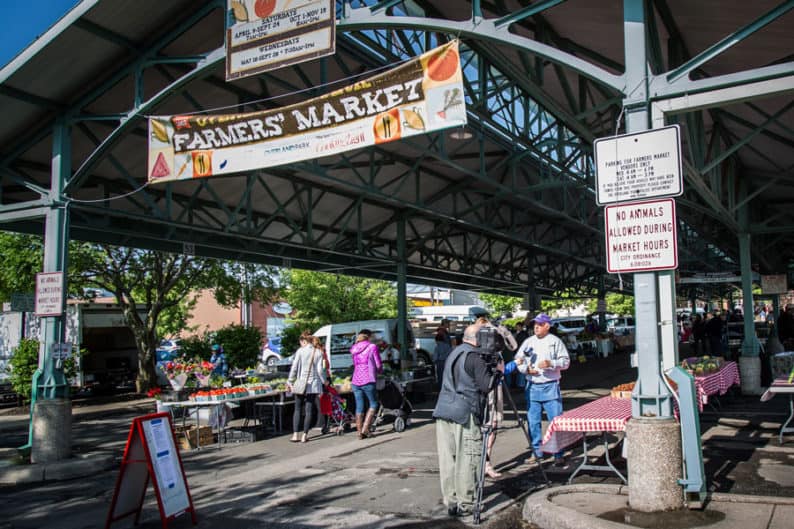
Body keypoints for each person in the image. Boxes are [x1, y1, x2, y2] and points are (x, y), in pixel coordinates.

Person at [433, 323, 503, 517]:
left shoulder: (455, 352)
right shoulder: (474, 357)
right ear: (477, 339)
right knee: (468, 458)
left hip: (443, 409)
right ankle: (468, 503)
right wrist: (498, 371)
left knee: (449, 459)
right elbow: (486, 385)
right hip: (464, 411)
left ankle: (452, 500)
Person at [515, 313, 570, 466]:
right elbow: (518, 359)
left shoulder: (555, 341)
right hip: (532, 386)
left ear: (547, 325)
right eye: (534, 324)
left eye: (539, 324)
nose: (536, 327)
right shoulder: (528, 341)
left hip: (551, 385)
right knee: (533, 422)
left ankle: (558, 452)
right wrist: (526, 369)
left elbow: (566, 362)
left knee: (556, 421)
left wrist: (551, 363)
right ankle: (536, 452)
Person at [286, 331, 328, 443]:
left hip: (300, 383)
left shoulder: (300, 351)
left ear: (304, 341)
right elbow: (320, 370)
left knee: (298, 408)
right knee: (309, 410)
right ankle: (305, 435)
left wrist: (290, 381)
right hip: (313, 385)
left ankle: (295, 435)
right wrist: (324, 382)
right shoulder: (318, 352)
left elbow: (294, 367)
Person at [350, 330, 383, 439]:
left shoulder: (354, 349)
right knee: (373, 404)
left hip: (355, 380)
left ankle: (359, 433)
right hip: (368, 378)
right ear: (368, 338)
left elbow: (355, 364)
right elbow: (378, 364)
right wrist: (380, 371)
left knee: (359, 405)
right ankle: (365, 429)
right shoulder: (372, 347)